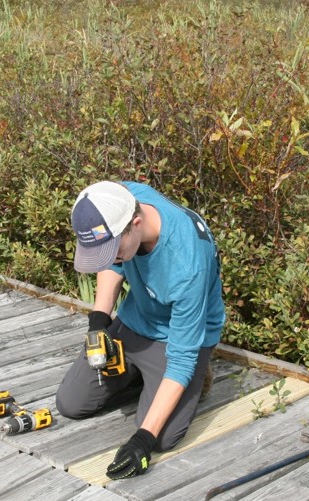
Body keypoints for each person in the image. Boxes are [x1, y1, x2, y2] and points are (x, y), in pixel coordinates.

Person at [56, 180, 224, 480]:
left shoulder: (187, 263)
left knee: (161, 437)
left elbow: (182, 357)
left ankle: (196, 379)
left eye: (114, 249)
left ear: (136, 223)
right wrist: (99, 320)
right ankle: (146, 381)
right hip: (136, 321)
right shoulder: (116, 199)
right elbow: (111, 262)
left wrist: (142, 439)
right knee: (70, 404)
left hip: (180, 339)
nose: (109, 256)